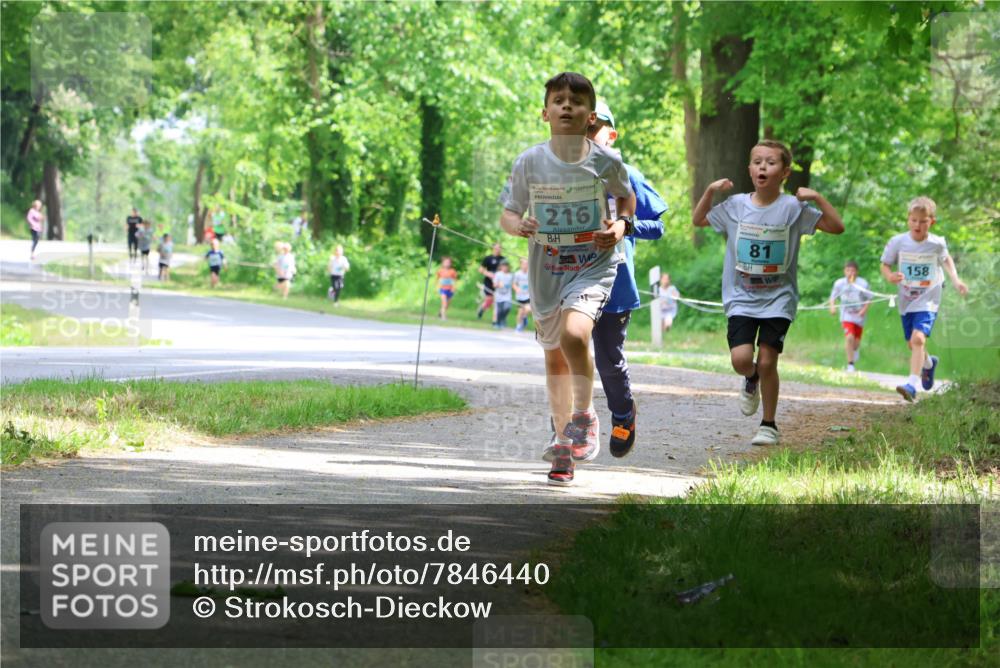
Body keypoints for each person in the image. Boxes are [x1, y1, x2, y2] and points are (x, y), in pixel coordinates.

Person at [499, 71, 635, 486]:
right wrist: (517, 225)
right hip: (547, 270)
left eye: (576, 102)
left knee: (576, 335)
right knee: (555, 358)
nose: (566, 106)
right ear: (545, 112)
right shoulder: (530, 162)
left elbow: (626, 198)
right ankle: (562, 446)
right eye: (558, 100)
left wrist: (621, 226)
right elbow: (508, 213)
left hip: (593, 265)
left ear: (588, 116)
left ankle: (585, 415)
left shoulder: (605, 161)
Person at [693, 139, 844, 447]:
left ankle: (769, 424)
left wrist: (816, 196)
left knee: (767, 361)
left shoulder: (792, 208)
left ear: (785, 172)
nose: (763, 166)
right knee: (742, 359)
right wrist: (710, 191)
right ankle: (750, 380)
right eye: (757, 161)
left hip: (779, 298)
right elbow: (699, 220)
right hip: (740, 298)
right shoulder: (735, 205)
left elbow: (836, 226)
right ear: (750, 169)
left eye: (771, 162)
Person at [584, 101, 666, 459]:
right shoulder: (559, 174)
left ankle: (623, 413)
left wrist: (624, 226)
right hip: (570, 278)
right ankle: (574, 423)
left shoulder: (625, 173)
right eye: (582, 128)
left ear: (610, 134)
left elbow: (658, 227)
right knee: (570, 356)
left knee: (608, 361)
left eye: (594, 128)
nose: (587, 135)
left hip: (615, 282)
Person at [880, 196, 969, 401]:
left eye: (923, 221)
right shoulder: (898, 242)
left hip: (929, 297)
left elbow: (946, 260)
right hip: (906, 299)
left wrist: (956, 280)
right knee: (913, 344)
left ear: (932, 222)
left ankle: (911, 385)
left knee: (918, 338)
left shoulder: (936, 243)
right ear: (908, 220)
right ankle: (928, 364)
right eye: (913, 220)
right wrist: (890, 276)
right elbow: (885, 264)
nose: (917, 225)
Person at [828, 260, 873, 372]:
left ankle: (854, 352)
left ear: (856, 272)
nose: (850, 273)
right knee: (849, 337)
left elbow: (869, 299)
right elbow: (832, 297)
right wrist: (832, 307)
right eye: (848, 270)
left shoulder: (862, 284)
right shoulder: (839, 283)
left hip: (859, 316)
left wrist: (864, 310)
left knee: (855, 344)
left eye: (852, 270)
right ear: (844, 271)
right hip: (846, 314)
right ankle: (850, 364)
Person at [476, 243, 505, 323]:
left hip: (499, 283)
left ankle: (495, 321)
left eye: (500, 248)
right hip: (488, 282)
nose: (498, 249)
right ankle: (482, 308)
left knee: (497, 301)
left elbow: (506, 271)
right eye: (497, 248)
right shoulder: (488, 258)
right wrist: (489, 274)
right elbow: (480, 269)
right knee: (489, 300)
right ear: (493, 248)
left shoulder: (504, 259)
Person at [492, 260, 514, 329]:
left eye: (506, 266)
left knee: (507, 307)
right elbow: (494, 285)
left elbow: (513, 284)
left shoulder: (511, 275)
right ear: (501, 267)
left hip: (507, 295)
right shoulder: (498, 274)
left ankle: (503, 319)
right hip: (499, 295)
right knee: (499, 310)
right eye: (503, 266)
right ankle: (498, 323)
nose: (505, 268)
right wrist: (499, 284)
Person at [513, 257, 531, 332]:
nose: (525, 265)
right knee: (520, 312)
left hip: (528, 295)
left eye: (526, 263)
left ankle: (524, 317)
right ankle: (518, 326)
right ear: (520, 265)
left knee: (528, 309)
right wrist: (516, 289)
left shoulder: (530, 273)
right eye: (523, 263)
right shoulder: (517, 274)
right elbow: (513, 284)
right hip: (520, 296)